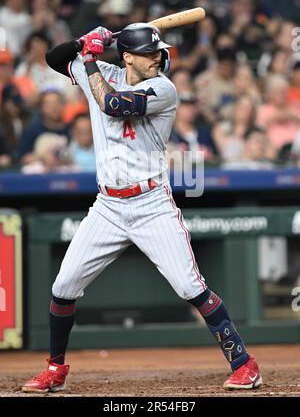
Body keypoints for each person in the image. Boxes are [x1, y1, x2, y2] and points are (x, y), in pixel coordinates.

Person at [22, 23, 262, 393]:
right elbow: (54, 60)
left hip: (151, 203)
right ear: (128, 56)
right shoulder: (103, 72)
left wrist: (89, 58)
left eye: (159, 53)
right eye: (150, 53)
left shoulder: (163, 87)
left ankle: (245, 363)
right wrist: (82, 41)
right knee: (63, 286)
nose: (158, 59)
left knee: (189, 286)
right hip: (107, 206)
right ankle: (55, 369)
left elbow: (114, 105)